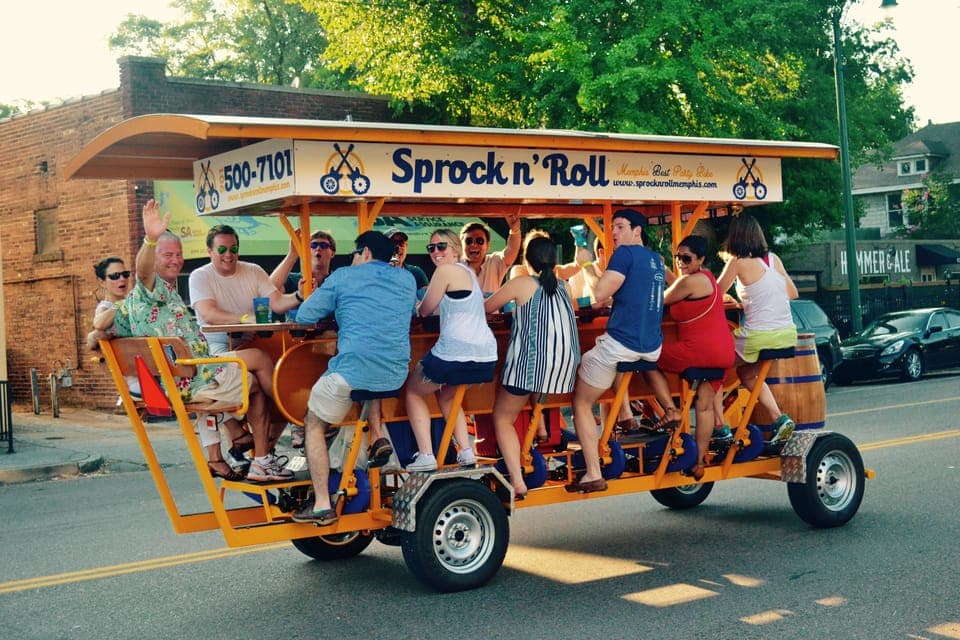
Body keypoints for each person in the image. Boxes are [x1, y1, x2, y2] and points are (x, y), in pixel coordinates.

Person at [115, 201, 290, 483]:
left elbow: (109, 326)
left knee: (253, 372)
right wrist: (150, 239)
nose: (175, 260)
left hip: (191, 371)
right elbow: (143, 271)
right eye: (167, 255)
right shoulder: (150, 288)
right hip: (193, 377)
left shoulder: (163, 293)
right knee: (258, 367)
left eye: (178, 255)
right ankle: (290, 417)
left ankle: (256, 446)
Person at [291, 231, 416, 525]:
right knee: (369, 380)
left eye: (355, 254)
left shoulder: (344, 276)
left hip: (354, 371)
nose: (353, 259)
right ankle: (377, 437)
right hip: (395, 373)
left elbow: (304, 316)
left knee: (313, 423)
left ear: (366, 252)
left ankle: (322, 504)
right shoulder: (407, 279)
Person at [567, 209, 666, 493]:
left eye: (620, 227)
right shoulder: (656, 259)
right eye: (613, 227)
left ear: (637, 231)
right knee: (602, 364)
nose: (614, 233)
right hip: (651, 348)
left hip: (623, 343)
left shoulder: (624, 254)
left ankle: (593, 473)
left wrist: (586, 265)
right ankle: (625, 416)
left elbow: (599, 294)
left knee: (581, 402)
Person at [484, 235, 580, 499]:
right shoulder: (564, 286)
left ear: (527, 261)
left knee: (502, 418)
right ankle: (540, 429)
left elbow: (486, 307)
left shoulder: (522, 283)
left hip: (531, 366)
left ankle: (517, 481)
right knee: (533, 387)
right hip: (562, 368)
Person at [404, 228, 498, 472]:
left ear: (455, 249)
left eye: (441, 246)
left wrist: (415, 305)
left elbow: (424, 311)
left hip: (456, 350)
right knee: (446, 395)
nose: (435, 251)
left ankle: (426, 454)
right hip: (484, 353)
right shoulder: (468, 273)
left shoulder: (444, 271)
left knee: (413, 391)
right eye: (431, 247)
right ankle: (466, 451)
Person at [653, 235, 735, 480]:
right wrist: (666, 269)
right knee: (704, 405)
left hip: (698, 350)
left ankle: (669, 409)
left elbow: (659, 299)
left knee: (645, 358)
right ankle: (698, 463)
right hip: (722, 352)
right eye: (677, 257)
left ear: (701, 259)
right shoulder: (706, 278)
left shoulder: (690, 282)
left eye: (686, 258)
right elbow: (677, 284)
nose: (681, 262)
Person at [716, 214, 799, 444]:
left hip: (759, 335)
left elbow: (713, 293)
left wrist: (733, 298)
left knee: (712, 366)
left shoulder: (737, 262)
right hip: (786, 333)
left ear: (734, 237)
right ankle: (779, 419)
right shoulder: (773, 259)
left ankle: (719, 427)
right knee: (746, 374)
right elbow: (792, 293)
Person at [270, 228, 338, 307]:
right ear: (306, 251)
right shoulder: (293, 279)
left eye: (324, 245)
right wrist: (292, 254)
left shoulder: (338, 282)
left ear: (332, 253)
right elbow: (268, 291)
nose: (318, 248)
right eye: (313, 245)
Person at [460, 213, 522, 294]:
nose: (474, 245)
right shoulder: (454, 265)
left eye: (479, 241)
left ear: (488, 245)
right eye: (469, 241)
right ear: (461, 244)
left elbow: (511, 250)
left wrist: (515, 231)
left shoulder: (494, 261)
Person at [85, 257, 131, 351]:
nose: (122, 279)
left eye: (125, 274)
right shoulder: (105, 307)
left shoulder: (131, 302)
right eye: (115, 276)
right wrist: (119, 305)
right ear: (102, 282)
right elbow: (99, 324)